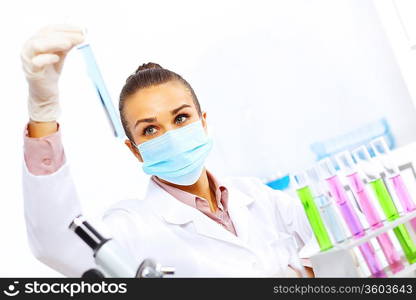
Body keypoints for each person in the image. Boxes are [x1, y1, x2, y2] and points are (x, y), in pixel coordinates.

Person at [21, 24, 315, 277]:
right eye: (150, 129)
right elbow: (59, 242)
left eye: (181, 118)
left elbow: (332, 246)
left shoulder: (260, 199)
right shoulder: (133, 226)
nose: (171, 136)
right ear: (135, 150)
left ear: (203, 122)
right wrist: (43, 115)